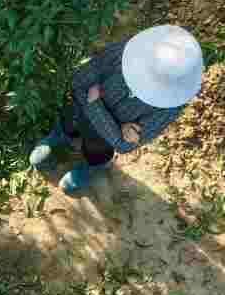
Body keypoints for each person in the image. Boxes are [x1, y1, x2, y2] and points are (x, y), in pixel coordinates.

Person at [30, 24, 204, 193]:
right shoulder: (126, 52)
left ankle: (94, 166)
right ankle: (60, 135)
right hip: (78, 114)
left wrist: (94, 104)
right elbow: (79, 81)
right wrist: (116, 127)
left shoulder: (170, 105)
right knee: (70, 119)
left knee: (97, 149)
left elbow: (123, 146)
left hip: (99, 141)